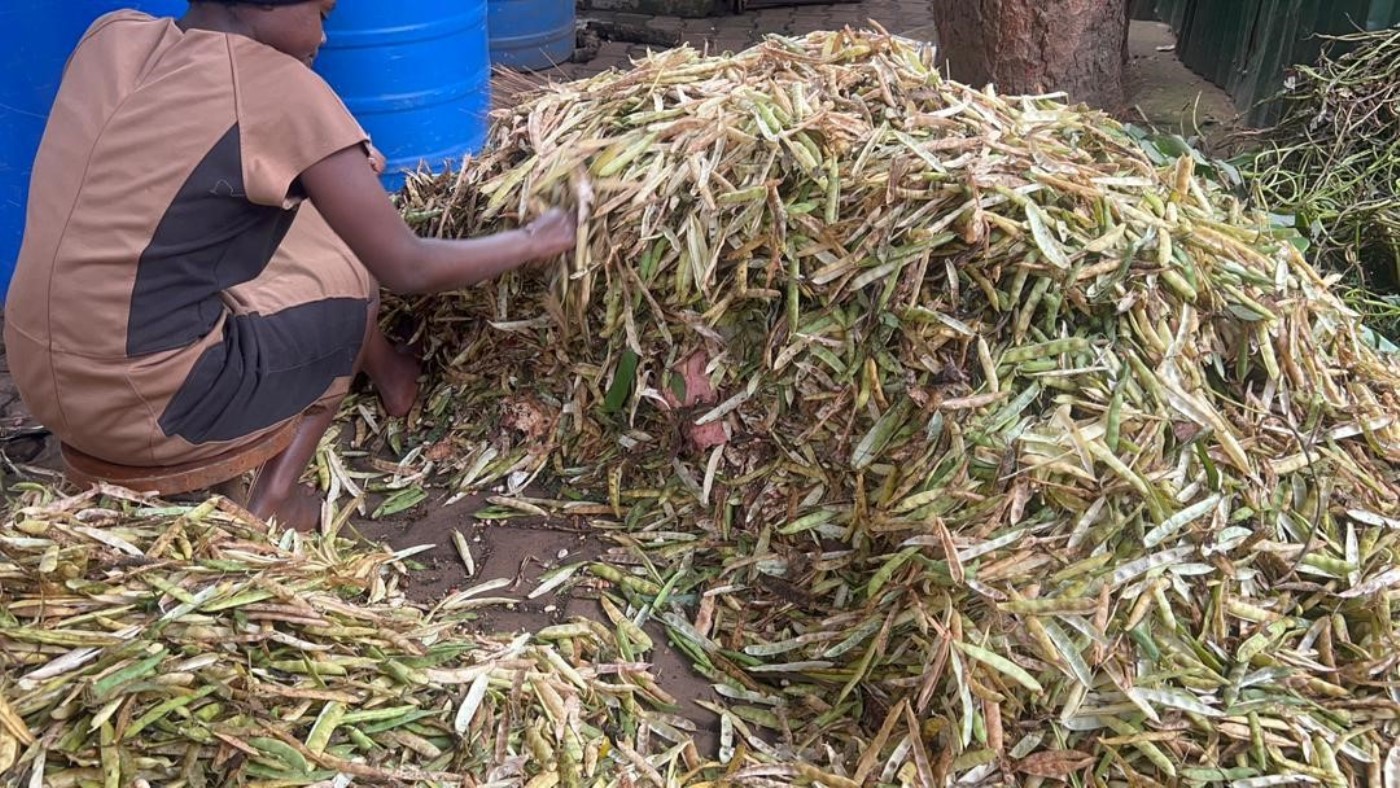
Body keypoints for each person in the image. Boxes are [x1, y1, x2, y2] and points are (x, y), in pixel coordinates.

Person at [3, 0, 576, 530]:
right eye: (321, 12)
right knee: (354, 272)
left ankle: (391, 371)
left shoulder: (113, 35)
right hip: (153, 409)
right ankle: (278, 495)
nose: (323, 36)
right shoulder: (281, 87)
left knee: (318, 223)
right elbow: (410, 266)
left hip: (42, 379)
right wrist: (536, 236)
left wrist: (327, 161)